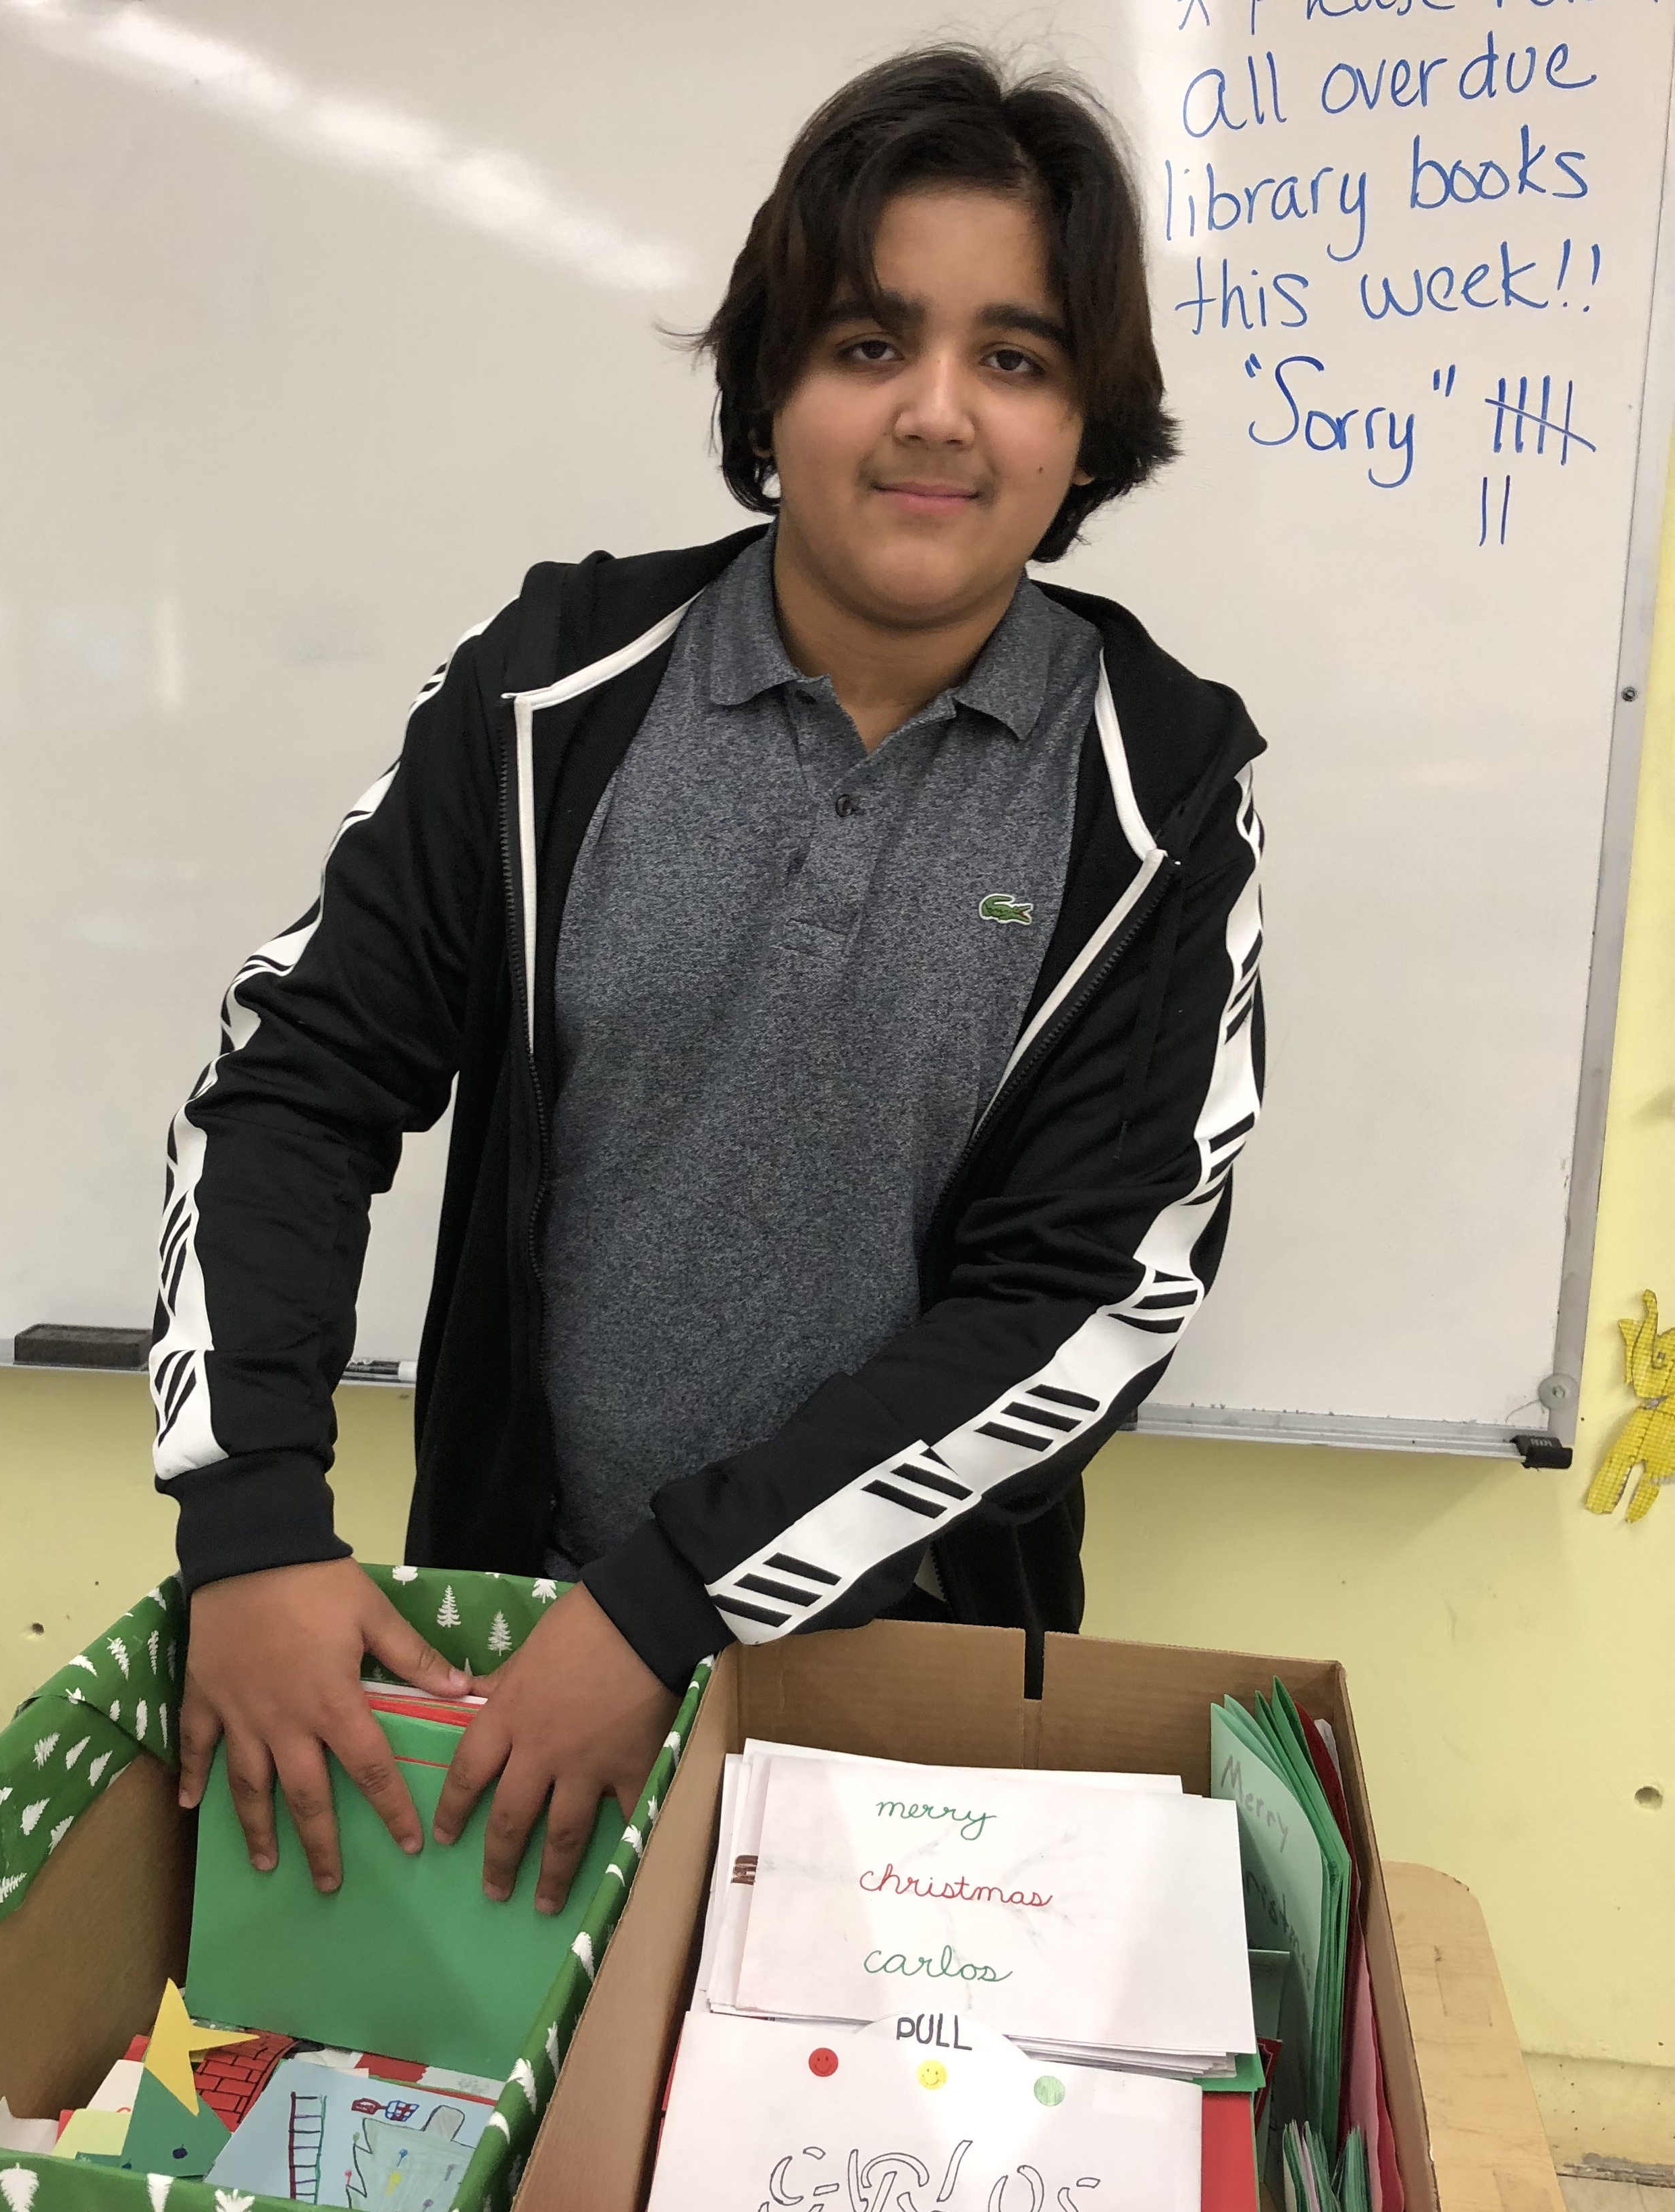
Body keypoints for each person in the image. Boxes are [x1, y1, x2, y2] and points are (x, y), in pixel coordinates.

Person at [150, 49, 1265, 1918]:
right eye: (865, 344)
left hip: (903, 1699)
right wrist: (252, 1522)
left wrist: (672, 1603)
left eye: (1014, 356)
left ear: (1087, 423)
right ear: (771, 384)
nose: (937, 415)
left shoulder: (1158, 796)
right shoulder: (551, 692)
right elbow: (295, 1083)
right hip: (501, 1659)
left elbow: (1090, 1298)